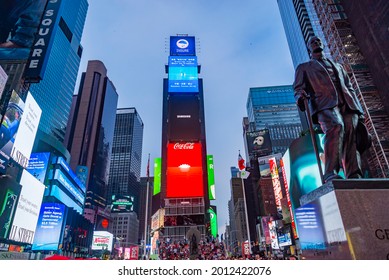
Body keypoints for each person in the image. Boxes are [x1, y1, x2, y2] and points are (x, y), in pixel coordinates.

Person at [294, 36, 366, 183]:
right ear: (309, 48)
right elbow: (298, 87)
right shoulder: (304, 68)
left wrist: (359, 111)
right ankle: (330, 172)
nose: (316, 43)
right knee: (336, 127)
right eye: (312, 42)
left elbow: (349, 87)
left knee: (350, 137)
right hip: (324, 105)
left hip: (347, 105)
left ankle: (354, 173)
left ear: (322, 45)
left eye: (318, 41)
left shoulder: (338, 66)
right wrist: (300, 96)